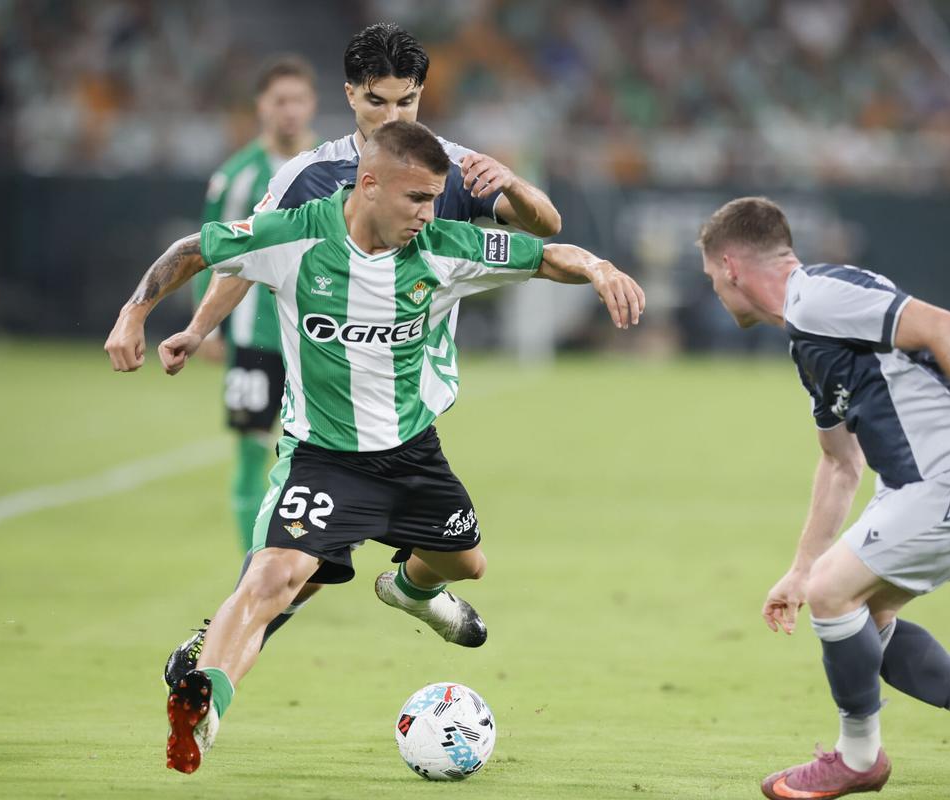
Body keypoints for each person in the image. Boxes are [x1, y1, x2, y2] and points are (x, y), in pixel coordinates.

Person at [104, 120, 643, 774]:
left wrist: (598, 265)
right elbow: (197, 249)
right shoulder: (295, 233)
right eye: (416, 199)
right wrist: (138, 312)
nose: (427, 213)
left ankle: (411, 593)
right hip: (323, 459)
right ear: (368, 184)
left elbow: (544, 253)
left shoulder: (445, 245)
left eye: (434, 198)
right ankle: (204, 705)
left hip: (413, 456)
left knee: (466, 565)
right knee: (275, 576)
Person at [162, 22, 564, 683]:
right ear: (351, 94)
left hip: (410, 400)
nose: (392, 116)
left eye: (406, 102)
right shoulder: (308, 176)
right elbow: (244, 256)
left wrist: (515, 186)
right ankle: (220, 647)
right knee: (303, 556)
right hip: (332, 393)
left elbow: (546, 229)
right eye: (377, 101)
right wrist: (201, 327)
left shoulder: (453, 167)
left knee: (424, 556)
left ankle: (412, 591)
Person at [696, 197, 950, 800]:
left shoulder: (817, 297)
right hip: (941, 477)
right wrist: (800, 568)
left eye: (711, 278)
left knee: (835, 595)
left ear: (731, 266)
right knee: (863, 614)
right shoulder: (806, 335)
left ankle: (857, 757)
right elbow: (840, 462)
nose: (714, 290)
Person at [195, 55, 319, 553]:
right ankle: (252, 566)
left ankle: (309, 556)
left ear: (313, 105)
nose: (289, 111)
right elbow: (208, 252)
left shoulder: (332, 166)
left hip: (316, 331)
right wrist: (205, 326)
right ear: (261, 107)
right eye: (279, 100)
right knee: (250, 449)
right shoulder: (237, 177)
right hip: (253, 335)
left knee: (322, 449)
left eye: (299, 100)